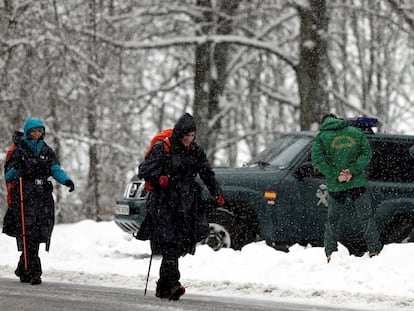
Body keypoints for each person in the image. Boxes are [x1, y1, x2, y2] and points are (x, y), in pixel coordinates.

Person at [136, 112, 224, 300]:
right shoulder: (163, 148)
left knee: (179, 243)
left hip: (187, 203)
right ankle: (174, 284)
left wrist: (217, 192)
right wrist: (160, 179)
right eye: (186, 136)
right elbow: (143, 171)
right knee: (170, 243)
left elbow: (207, 173)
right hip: (164, 203)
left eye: (192, 136)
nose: (188, 139)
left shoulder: (195, 151)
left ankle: (162, 287)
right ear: (179, 134)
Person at [2, 118, 75, 285]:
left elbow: (55, 169)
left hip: (42, 196)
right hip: (24, 196)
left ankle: (23, 267)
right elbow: (8, 176)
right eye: (33, 131)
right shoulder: (19, 151)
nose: (37, 134)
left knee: (40, 230)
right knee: (28, 232)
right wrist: (17, 167)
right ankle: (34, 271)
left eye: (39, 131)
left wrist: (67, 181)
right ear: (28, 132)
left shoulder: (47, 150)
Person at [311, 113, 382, 263]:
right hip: (356, 182)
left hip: (336, 185)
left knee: (333, 220)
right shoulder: (355, 132)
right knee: (366, 217)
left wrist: (336, 174)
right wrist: (352, 170)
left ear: (323, 123)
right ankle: (374, 249)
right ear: (338, 120)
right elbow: (367, 153)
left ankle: (330, 252)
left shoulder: (321, 137)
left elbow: (317, 160)